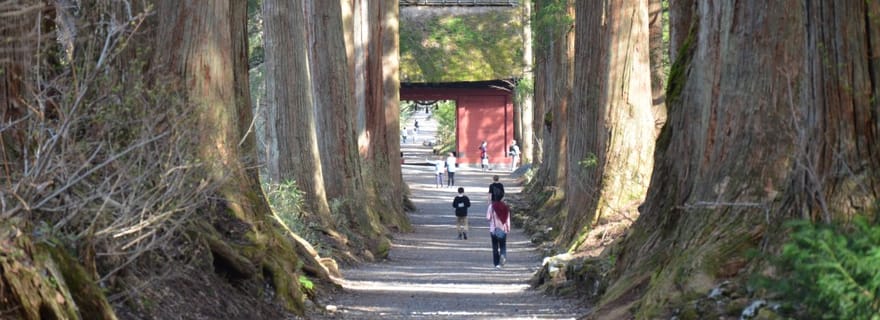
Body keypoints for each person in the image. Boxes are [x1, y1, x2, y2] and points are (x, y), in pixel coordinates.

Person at [487, 194, 510, 269]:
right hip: (503, 229)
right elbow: (507, 219)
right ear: (502, 199)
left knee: (495, 247)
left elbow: (488, 217)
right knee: (503, 246)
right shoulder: (505, 207)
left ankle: (496, 263)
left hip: (493, 229)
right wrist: (508, 229)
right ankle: (502, 256)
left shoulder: (492, 206)